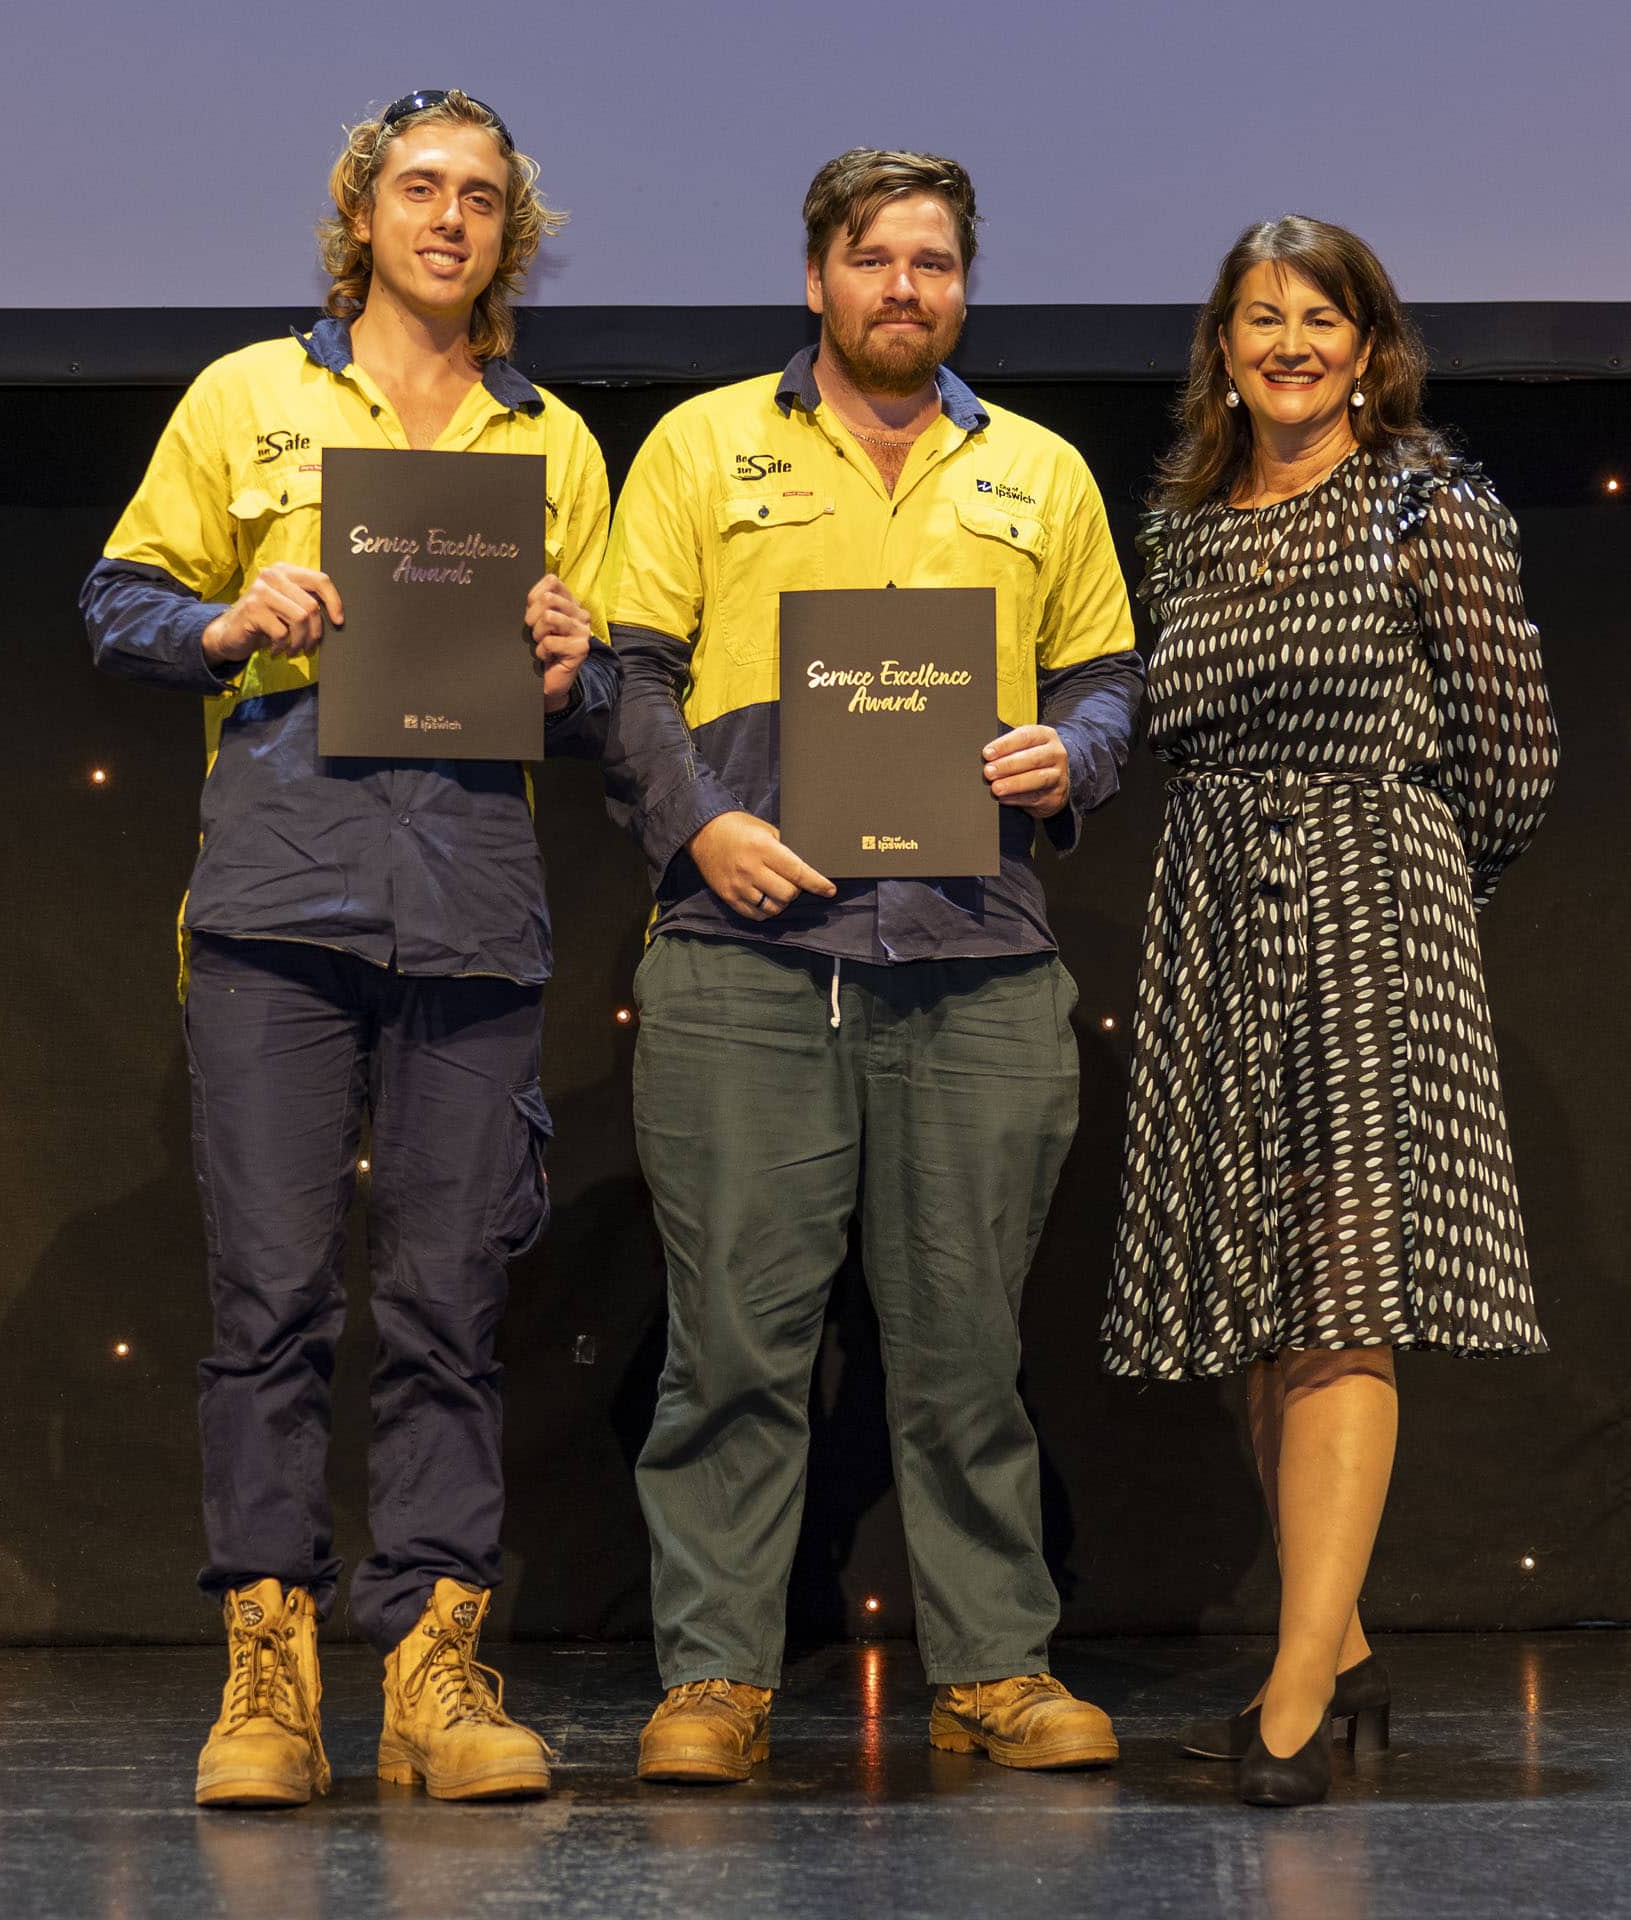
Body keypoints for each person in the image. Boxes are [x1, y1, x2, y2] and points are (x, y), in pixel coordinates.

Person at [80, 89, 618, 1809]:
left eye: (478, 197)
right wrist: (229, 618)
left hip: (468, 908)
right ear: (360, 213)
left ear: (506, 231)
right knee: (271, 1305)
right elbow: (121, 602)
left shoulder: (554, 443)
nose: (447, 218)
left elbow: (602, 696)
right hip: (276, 906)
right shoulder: (250, 395)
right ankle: (267, 1678)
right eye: (417, 188)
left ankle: (437, 1675)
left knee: (452, 1303)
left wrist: (569, 662)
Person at [600, 148, 1143, 1783]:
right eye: (874, 259)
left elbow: (1109, 679)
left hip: (975, 966)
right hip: (745, 959)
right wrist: (697, 827)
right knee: (732, 1348)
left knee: (967, 1344)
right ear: (817, 277)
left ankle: (994, 1669)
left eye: (933, 262)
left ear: (961, 286)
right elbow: (628, 677)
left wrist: (1077, 754)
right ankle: (714, 1677)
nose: (904, 287)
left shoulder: (1037, 469)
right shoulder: (704, 445)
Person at [1103, 215, 1558, 1806]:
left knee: (1341, 1294)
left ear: (1369, 343)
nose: (1285, 343)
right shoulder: (1183, 525)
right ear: (1219, 348)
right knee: (1248, 1291)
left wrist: (1410, 888)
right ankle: (1344, 1647)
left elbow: (1513, 759)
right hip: (1217, 910)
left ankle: (1291, 1701)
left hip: (1375, 913)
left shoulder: (1429, 502)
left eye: (1317, 317)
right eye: (1256, 318)